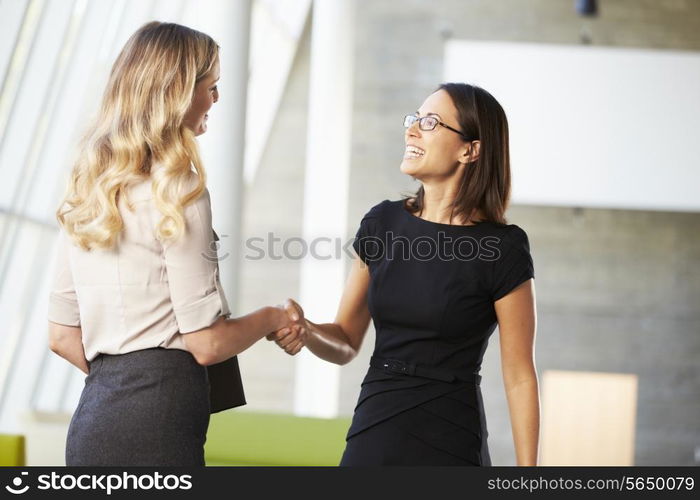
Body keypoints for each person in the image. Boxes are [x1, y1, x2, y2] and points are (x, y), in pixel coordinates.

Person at [47, 21, 298, 466]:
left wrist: (125, 382)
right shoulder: (179, 190)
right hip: (158, 422)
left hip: (94, 419)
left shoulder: (91, 186)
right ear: (178, 91)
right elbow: (206, 343)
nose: (216, 99)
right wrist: (273, 316)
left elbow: (62, 336)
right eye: (211, 86)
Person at [269, 83, 539, 466]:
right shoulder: (382, 223)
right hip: (375, 426)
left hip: (452, 438)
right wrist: (307, 330)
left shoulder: (503, 247)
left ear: (470, 149)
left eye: (430, 122)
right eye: (414, 119)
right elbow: (346, 340)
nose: (412, 130)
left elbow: (520, 377)